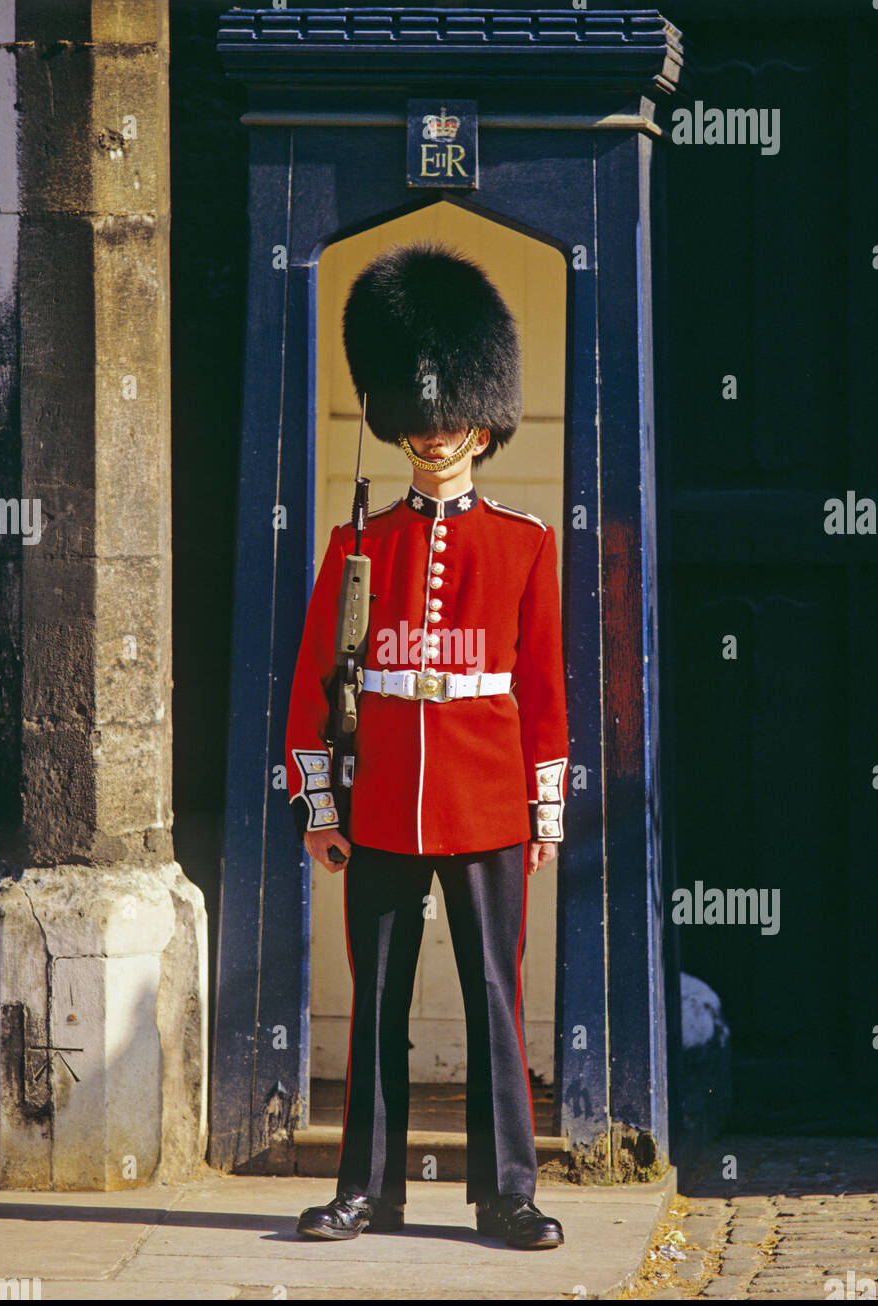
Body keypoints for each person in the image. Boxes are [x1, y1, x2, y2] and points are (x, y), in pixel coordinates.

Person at [284, 242, 569, 1249]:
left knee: (494, 999)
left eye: (452, 417)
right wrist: (320, 805)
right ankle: (366, 1189)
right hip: (385, 800)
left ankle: (505, 1192)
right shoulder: (354, 546)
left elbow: (540, 687)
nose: (436, 432)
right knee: (377, 1008)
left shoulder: (524, 544)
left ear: (484, 423)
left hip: (488, 798)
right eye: (420, 416)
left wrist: (543, 807)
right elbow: (319, 682)